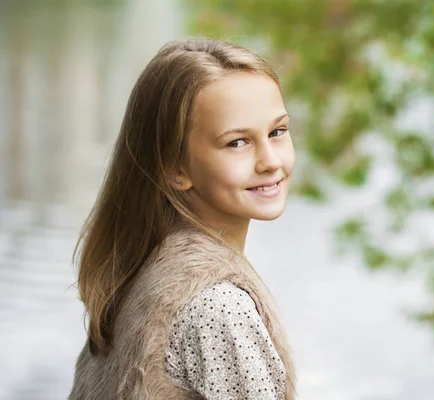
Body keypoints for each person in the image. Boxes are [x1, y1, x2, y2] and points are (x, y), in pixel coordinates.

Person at [68, 38, 297, 400]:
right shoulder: (220, 307)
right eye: (237, 142)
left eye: (277, 132)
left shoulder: (139, 267)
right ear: (175, 168)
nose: (270, 160)